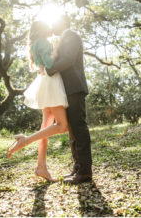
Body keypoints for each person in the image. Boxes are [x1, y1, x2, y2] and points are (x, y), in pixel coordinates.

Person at [7, 21, 69, 182]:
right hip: (51, 82)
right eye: (48, 26)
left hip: (44, 82)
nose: (51, 27)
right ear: (43, 28)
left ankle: (41, 167)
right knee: (62, 126)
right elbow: (49, 64)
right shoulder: (42, 41)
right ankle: (25, 141)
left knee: (46, 127)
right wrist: (57, 52)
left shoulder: (36, 43)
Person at [45, 15, 92, 184]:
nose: (52, 24)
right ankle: (78, 168)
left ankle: (85, 171)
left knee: (78, 128)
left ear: (63, 21)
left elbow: (69, 60)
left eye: (55, 20)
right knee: (72, 130)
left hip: (74, 88)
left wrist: (50, 69)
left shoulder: (70, 34)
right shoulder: (63, 38)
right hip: (66, 90)